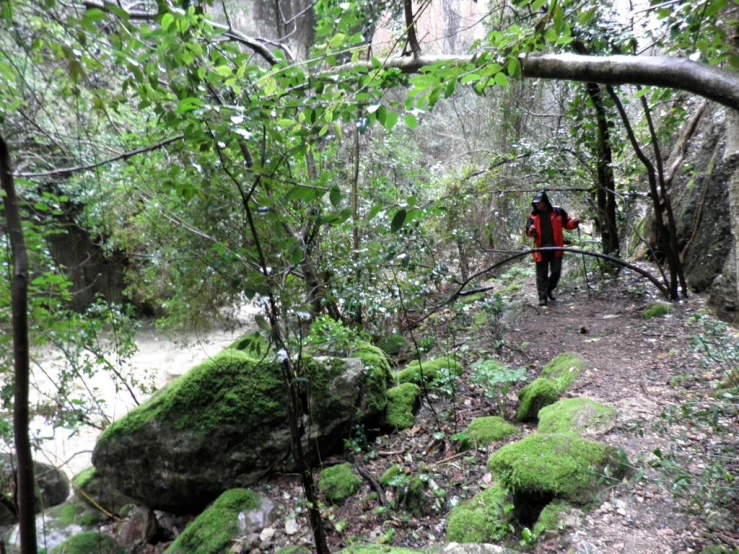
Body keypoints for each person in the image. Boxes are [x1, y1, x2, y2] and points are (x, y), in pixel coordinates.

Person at [525, 190, 580, 306]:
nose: (537, 205)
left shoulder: (558, 211)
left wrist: (574, 223)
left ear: (545, 202)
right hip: (540, 249)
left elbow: (568, 223)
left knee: (556, 272)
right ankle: (542, 297)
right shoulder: (533, 215)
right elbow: (528, 232)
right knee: (541, 274)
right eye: (536, 204)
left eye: (539, 203)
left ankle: (548, 289)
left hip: (556, 248)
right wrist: (531, 230)